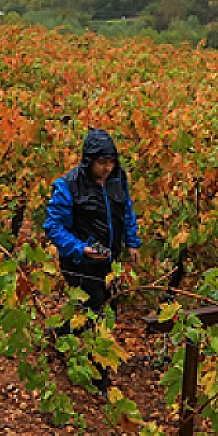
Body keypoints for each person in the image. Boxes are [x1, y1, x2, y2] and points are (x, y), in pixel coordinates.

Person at [44, 128, 142, 316]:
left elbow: (126, 210)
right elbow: (54, 227)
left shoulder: (117, 178)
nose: (107, 168)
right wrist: (81, 249)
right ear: (89, 161)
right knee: (91, 310)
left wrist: (132, 242)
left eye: (111, 162)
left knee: (110, 309)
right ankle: (62, 333)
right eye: (102, 163)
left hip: (109, 259)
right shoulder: (68, 185)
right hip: (80, 263)